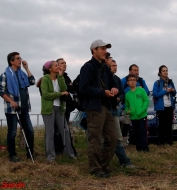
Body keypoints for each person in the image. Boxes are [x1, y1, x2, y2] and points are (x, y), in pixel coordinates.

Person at [79, 39, 118, 178]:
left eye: (105, 49)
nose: (105, 51)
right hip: (94, 108)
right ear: (94, 50)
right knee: (95, 139)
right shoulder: (88, 67)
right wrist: (102, 92)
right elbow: (83, 88)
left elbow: (114, 82)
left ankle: (103, 165)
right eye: (102, 48)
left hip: (106, 107)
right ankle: (95, 169)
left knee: (113, 138)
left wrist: (114, 88)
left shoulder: (105, 67)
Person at [0, 52, 35, 162]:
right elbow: (1, 91)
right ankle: (12, 155)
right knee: (12, 132)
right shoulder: (5, 75)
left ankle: (30, 154)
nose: (20, 60)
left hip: (24, 107)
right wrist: (12, 101)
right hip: (12, 109)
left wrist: (27, 68)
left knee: (30, 131)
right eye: (18, 58)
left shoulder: (22, 74)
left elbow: (32, 81)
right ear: (11, 61)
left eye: (20, 58)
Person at [40, 60, 76, 163]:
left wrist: (60, 76)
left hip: (60, 108)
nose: (58, 67)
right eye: (56, 65)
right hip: (48, 109)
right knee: (50, 132)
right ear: (49, 69)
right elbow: (46, 94)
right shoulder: (45, 79)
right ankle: (50, 157)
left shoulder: (59, 78)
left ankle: (70, 155)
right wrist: (59, 94)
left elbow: (65, 88)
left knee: (65, 131)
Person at [109, 59, 136, 168]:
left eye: (116, 65)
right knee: (105, 138)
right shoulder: (103, 78)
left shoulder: (117, 79)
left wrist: (119, 99)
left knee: (118, 137)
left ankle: (124, 161)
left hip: (115, 110)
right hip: (105, 110)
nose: (115, 67)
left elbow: (122, 93)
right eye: (113, 65)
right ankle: (104, 163)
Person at [121, 64, 150, 145]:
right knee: (126, 126)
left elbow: (147, 92)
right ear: (130, 71)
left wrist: (140, 89)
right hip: (127, 109)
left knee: (141, 129)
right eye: (134, 70)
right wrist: (130, 90)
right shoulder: (124, 80)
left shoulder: (141, 81)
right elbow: (121, 93)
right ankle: (124, 143)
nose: (136, 72)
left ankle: (142, 146)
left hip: (140, 110)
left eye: (137, 70)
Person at [55, 58, 78, 156]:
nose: (64, 64)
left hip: (67, 107)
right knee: (58, 129)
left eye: (65, 63)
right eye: (62, 63)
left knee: (65, 129)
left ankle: (68, 150)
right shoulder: (55, 77)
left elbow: (72, 89)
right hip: (58, 106)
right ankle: (59, 150)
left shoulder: (67, 77)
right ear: (57, 65)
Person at [152, 65, 177, 146]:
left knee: (169, 124)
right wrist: (165, 91)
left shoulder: (170, 82)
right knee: (162, 125)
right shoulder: (157, 83)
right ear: (160, 73)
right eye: (163, 71)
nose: (165, 72)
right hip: (161, 107)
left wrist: (172, 90)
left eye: (166, 70)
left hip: (170, 106)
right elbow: (155, 94)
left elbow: (175, 93)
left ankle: (169, 141)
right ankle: (161, 141)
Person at [125, 74, 149, 152]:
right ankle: (138, 148)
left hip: (142, 115)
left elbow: (146, 101)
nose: (132, 82)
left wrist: (143, 109)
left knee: (143, 131)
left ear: (136, 82)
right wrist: (127, 111)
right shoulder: (127, 94)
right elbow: (126, 106)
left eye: (134, 80)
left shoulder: (141, 90)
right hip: (133, 117)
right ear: (127, 82)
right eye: (130, 80)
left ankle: (145, 148)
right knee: (136, 132)